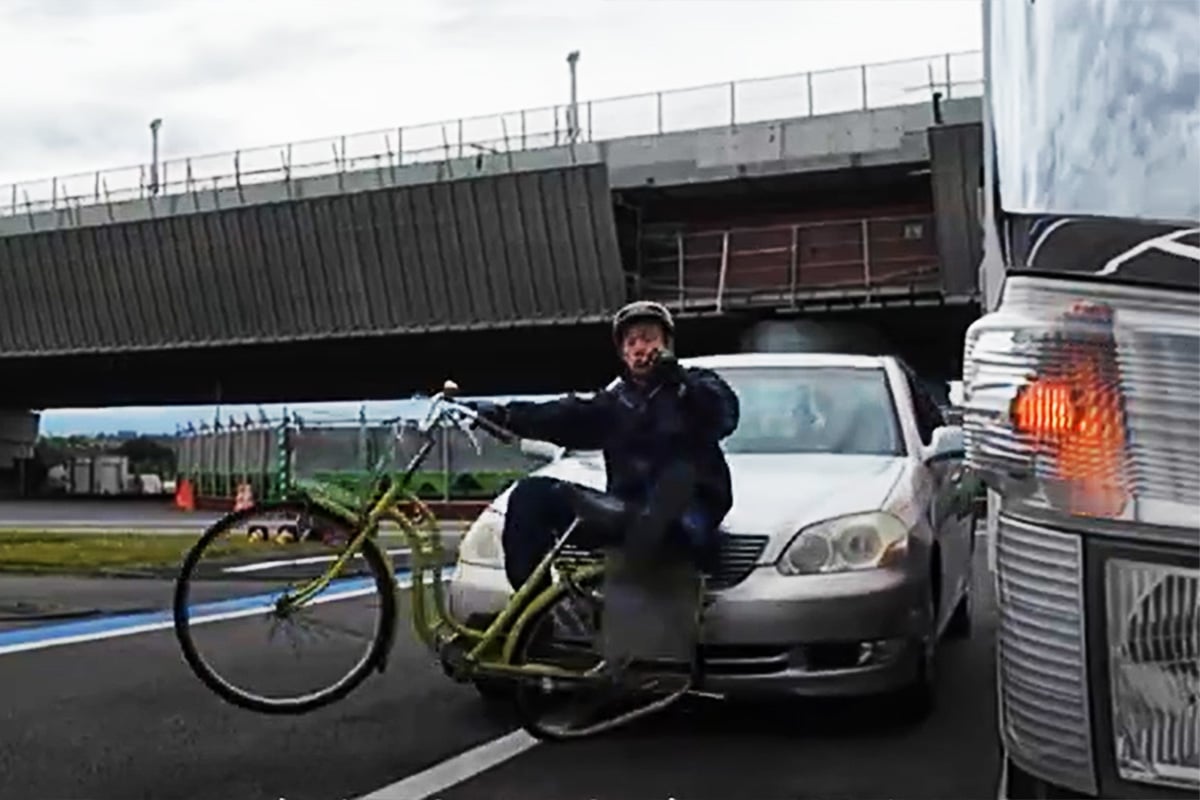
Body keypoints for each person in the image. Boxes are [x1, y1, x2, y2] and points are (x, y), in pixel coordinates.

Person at [467, 300, 741, 592]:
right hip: (628, 514)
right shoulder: (615, 403)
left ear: (667, 344)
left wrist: (679, 382)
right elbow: (563, 415)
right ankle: (535, 607)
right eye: (631, 342)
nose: (640, 348)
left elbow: (724, 416)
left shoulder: (696, 384)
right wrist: (504, 415)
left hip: (687, 515)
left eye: (649, 338)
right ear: (623, 354)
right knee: (531, 495)